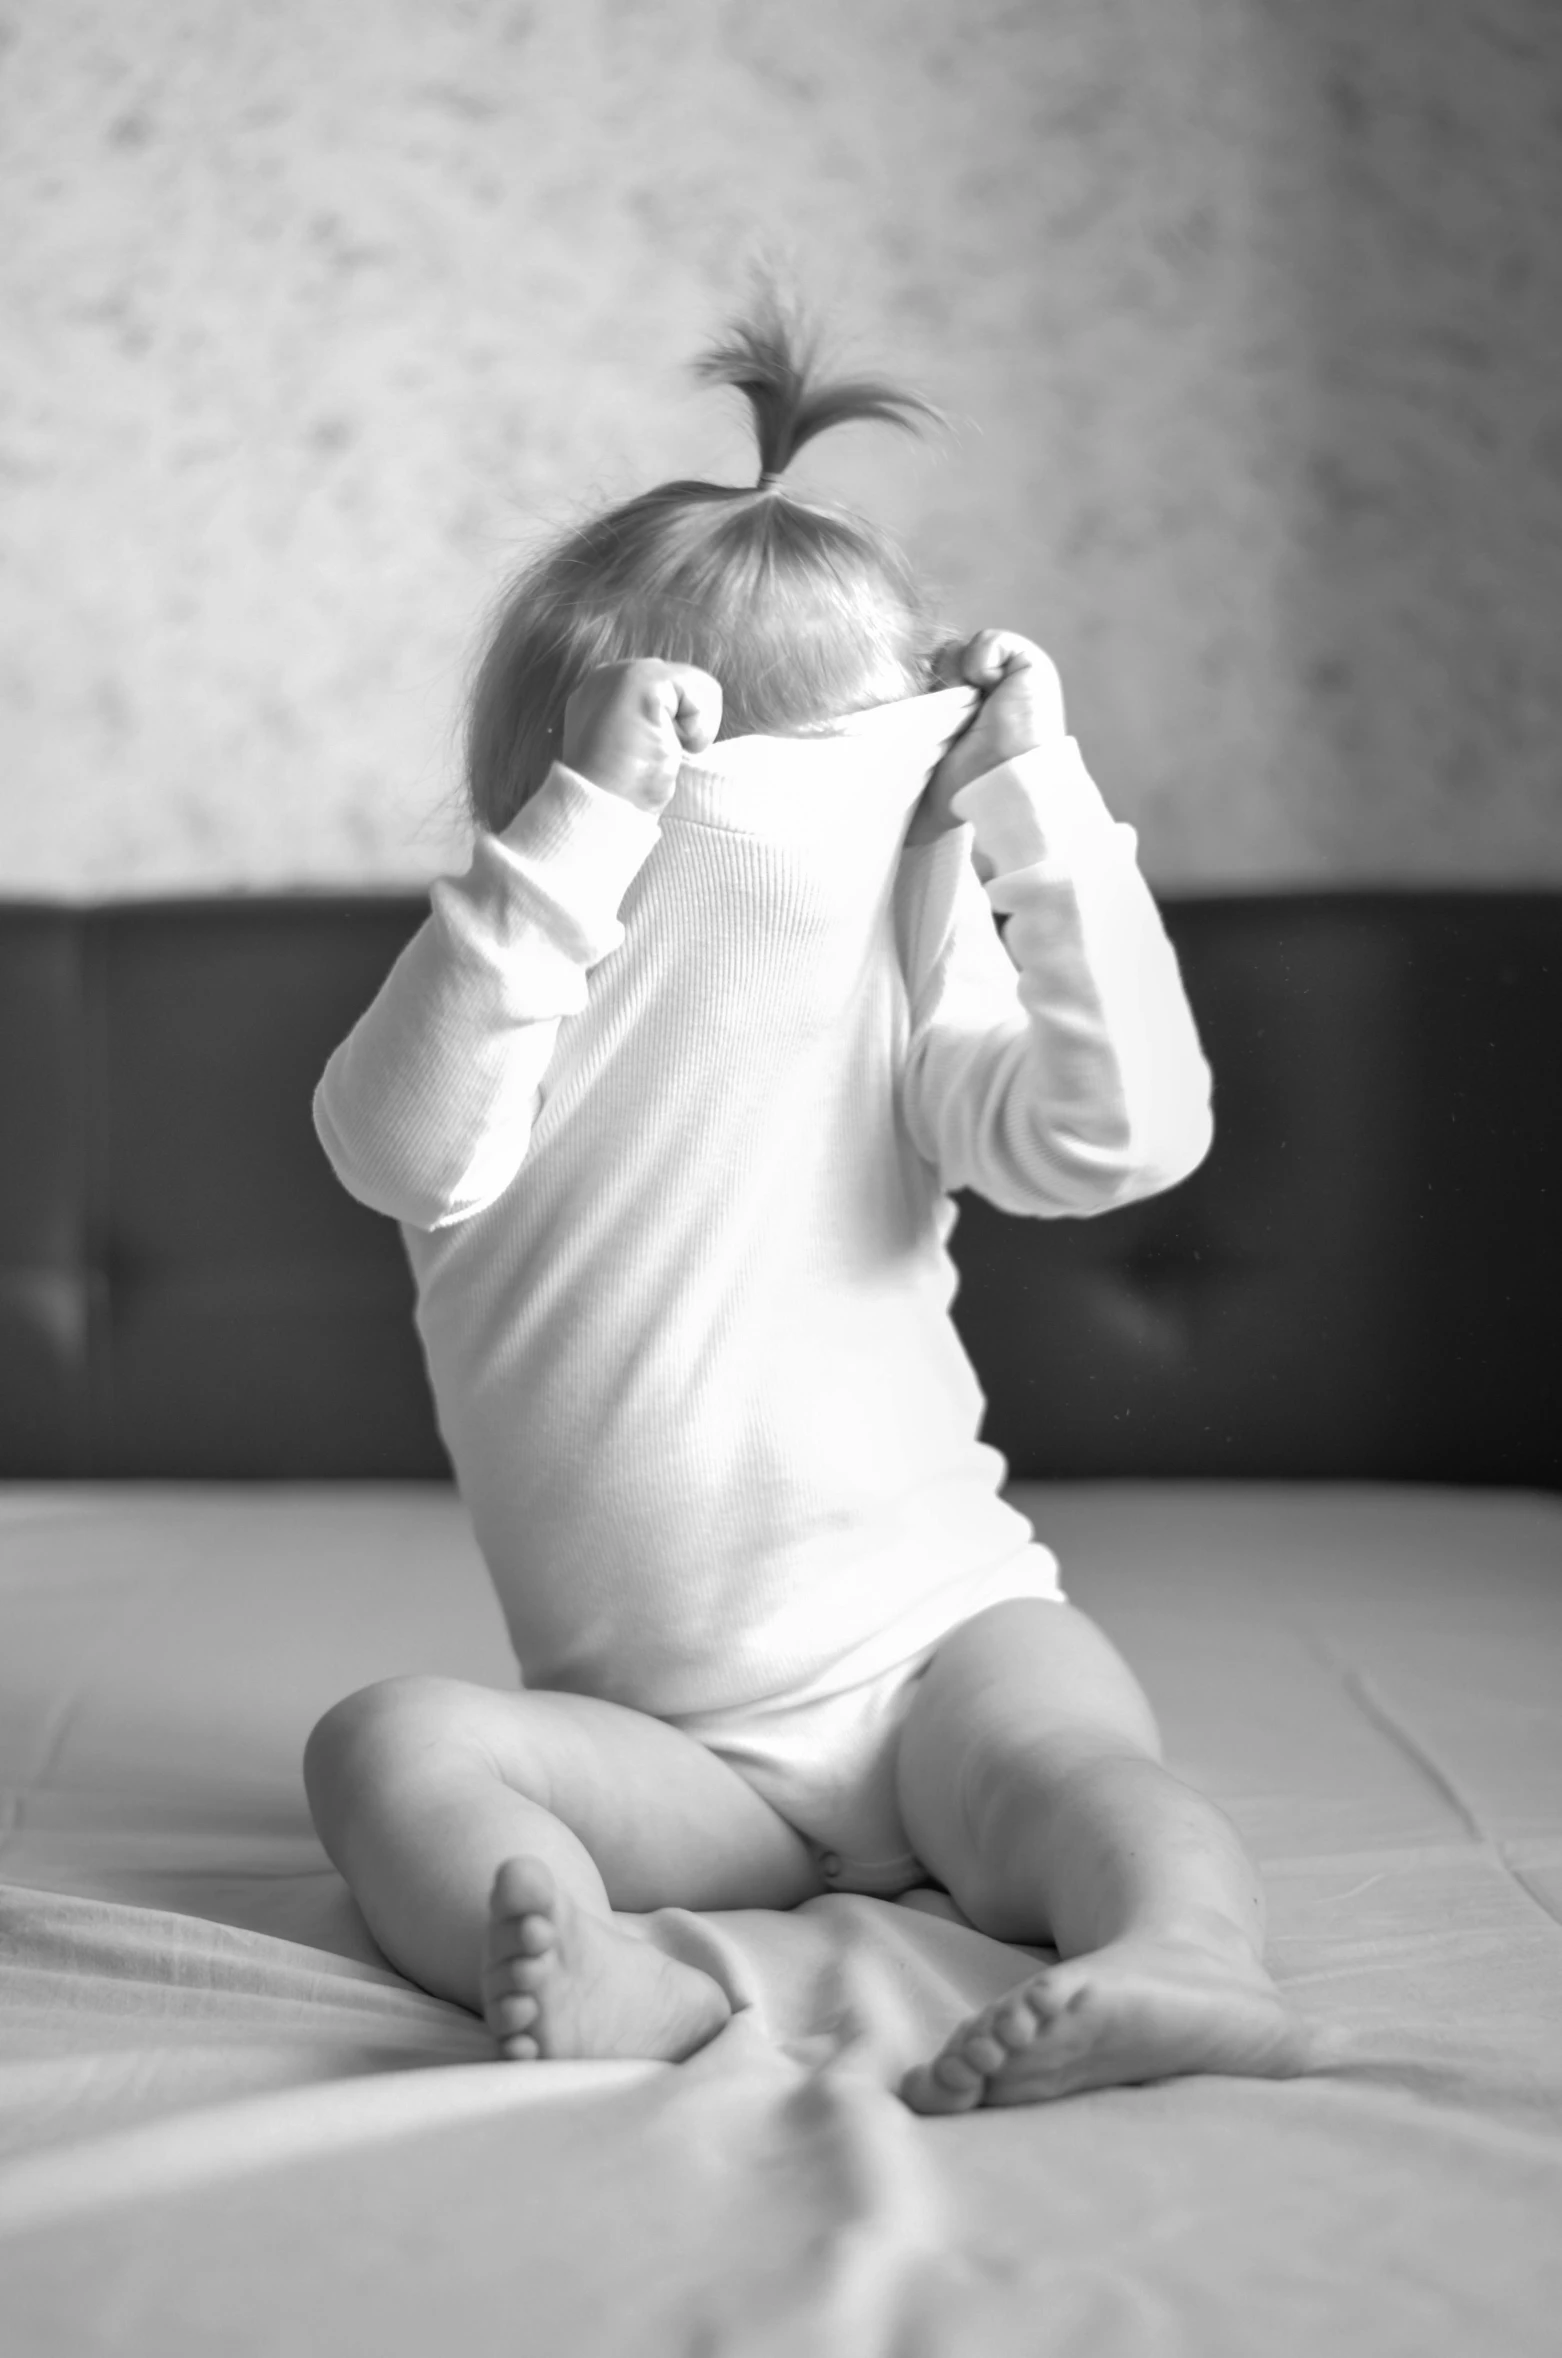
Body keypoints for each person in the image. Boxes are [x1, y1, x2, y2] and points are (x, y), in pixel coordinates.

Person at [304, 302, 1315, 2112]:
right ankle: (597, 1971)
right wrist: (590, 829)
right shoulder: (493, 1041)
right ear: (558, 813)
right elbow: (392, 1147)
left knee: (1092, 1783)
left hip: (943, 1643)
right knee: (387, 1747)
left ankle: (1184, 1952)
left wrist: (1039, 806)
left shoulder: (915, 994)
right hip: (671, 1755)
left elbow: (1121, 1138)